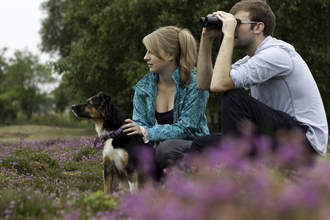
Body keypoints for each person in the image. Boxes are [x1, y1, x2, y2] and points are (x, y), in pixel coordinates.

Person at [192, 0, 328, 156]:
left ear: (258, 27)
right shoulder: (252, 59)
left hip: (305, 143)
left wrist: (228, 35)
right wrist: (207, 38)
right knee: (201, 144)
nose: (230, 28)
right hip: (276, 134)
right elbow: (205, 83)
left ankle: (237, 171)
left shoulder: (277, 53)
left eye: (236, 23)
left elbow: (219, 84)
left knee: (234, 98)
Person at [121, 26, 210, 170]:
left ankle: (197, 183)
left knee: (167, 149)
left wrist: (146, 132)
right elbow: (139, 127)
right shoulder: (143, 88)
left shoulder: (196, 85)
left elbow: (186, 129)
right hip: (159, 152)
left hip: (191, 148)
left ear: (170, 55)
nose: (146, 57)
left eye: (152, 52)